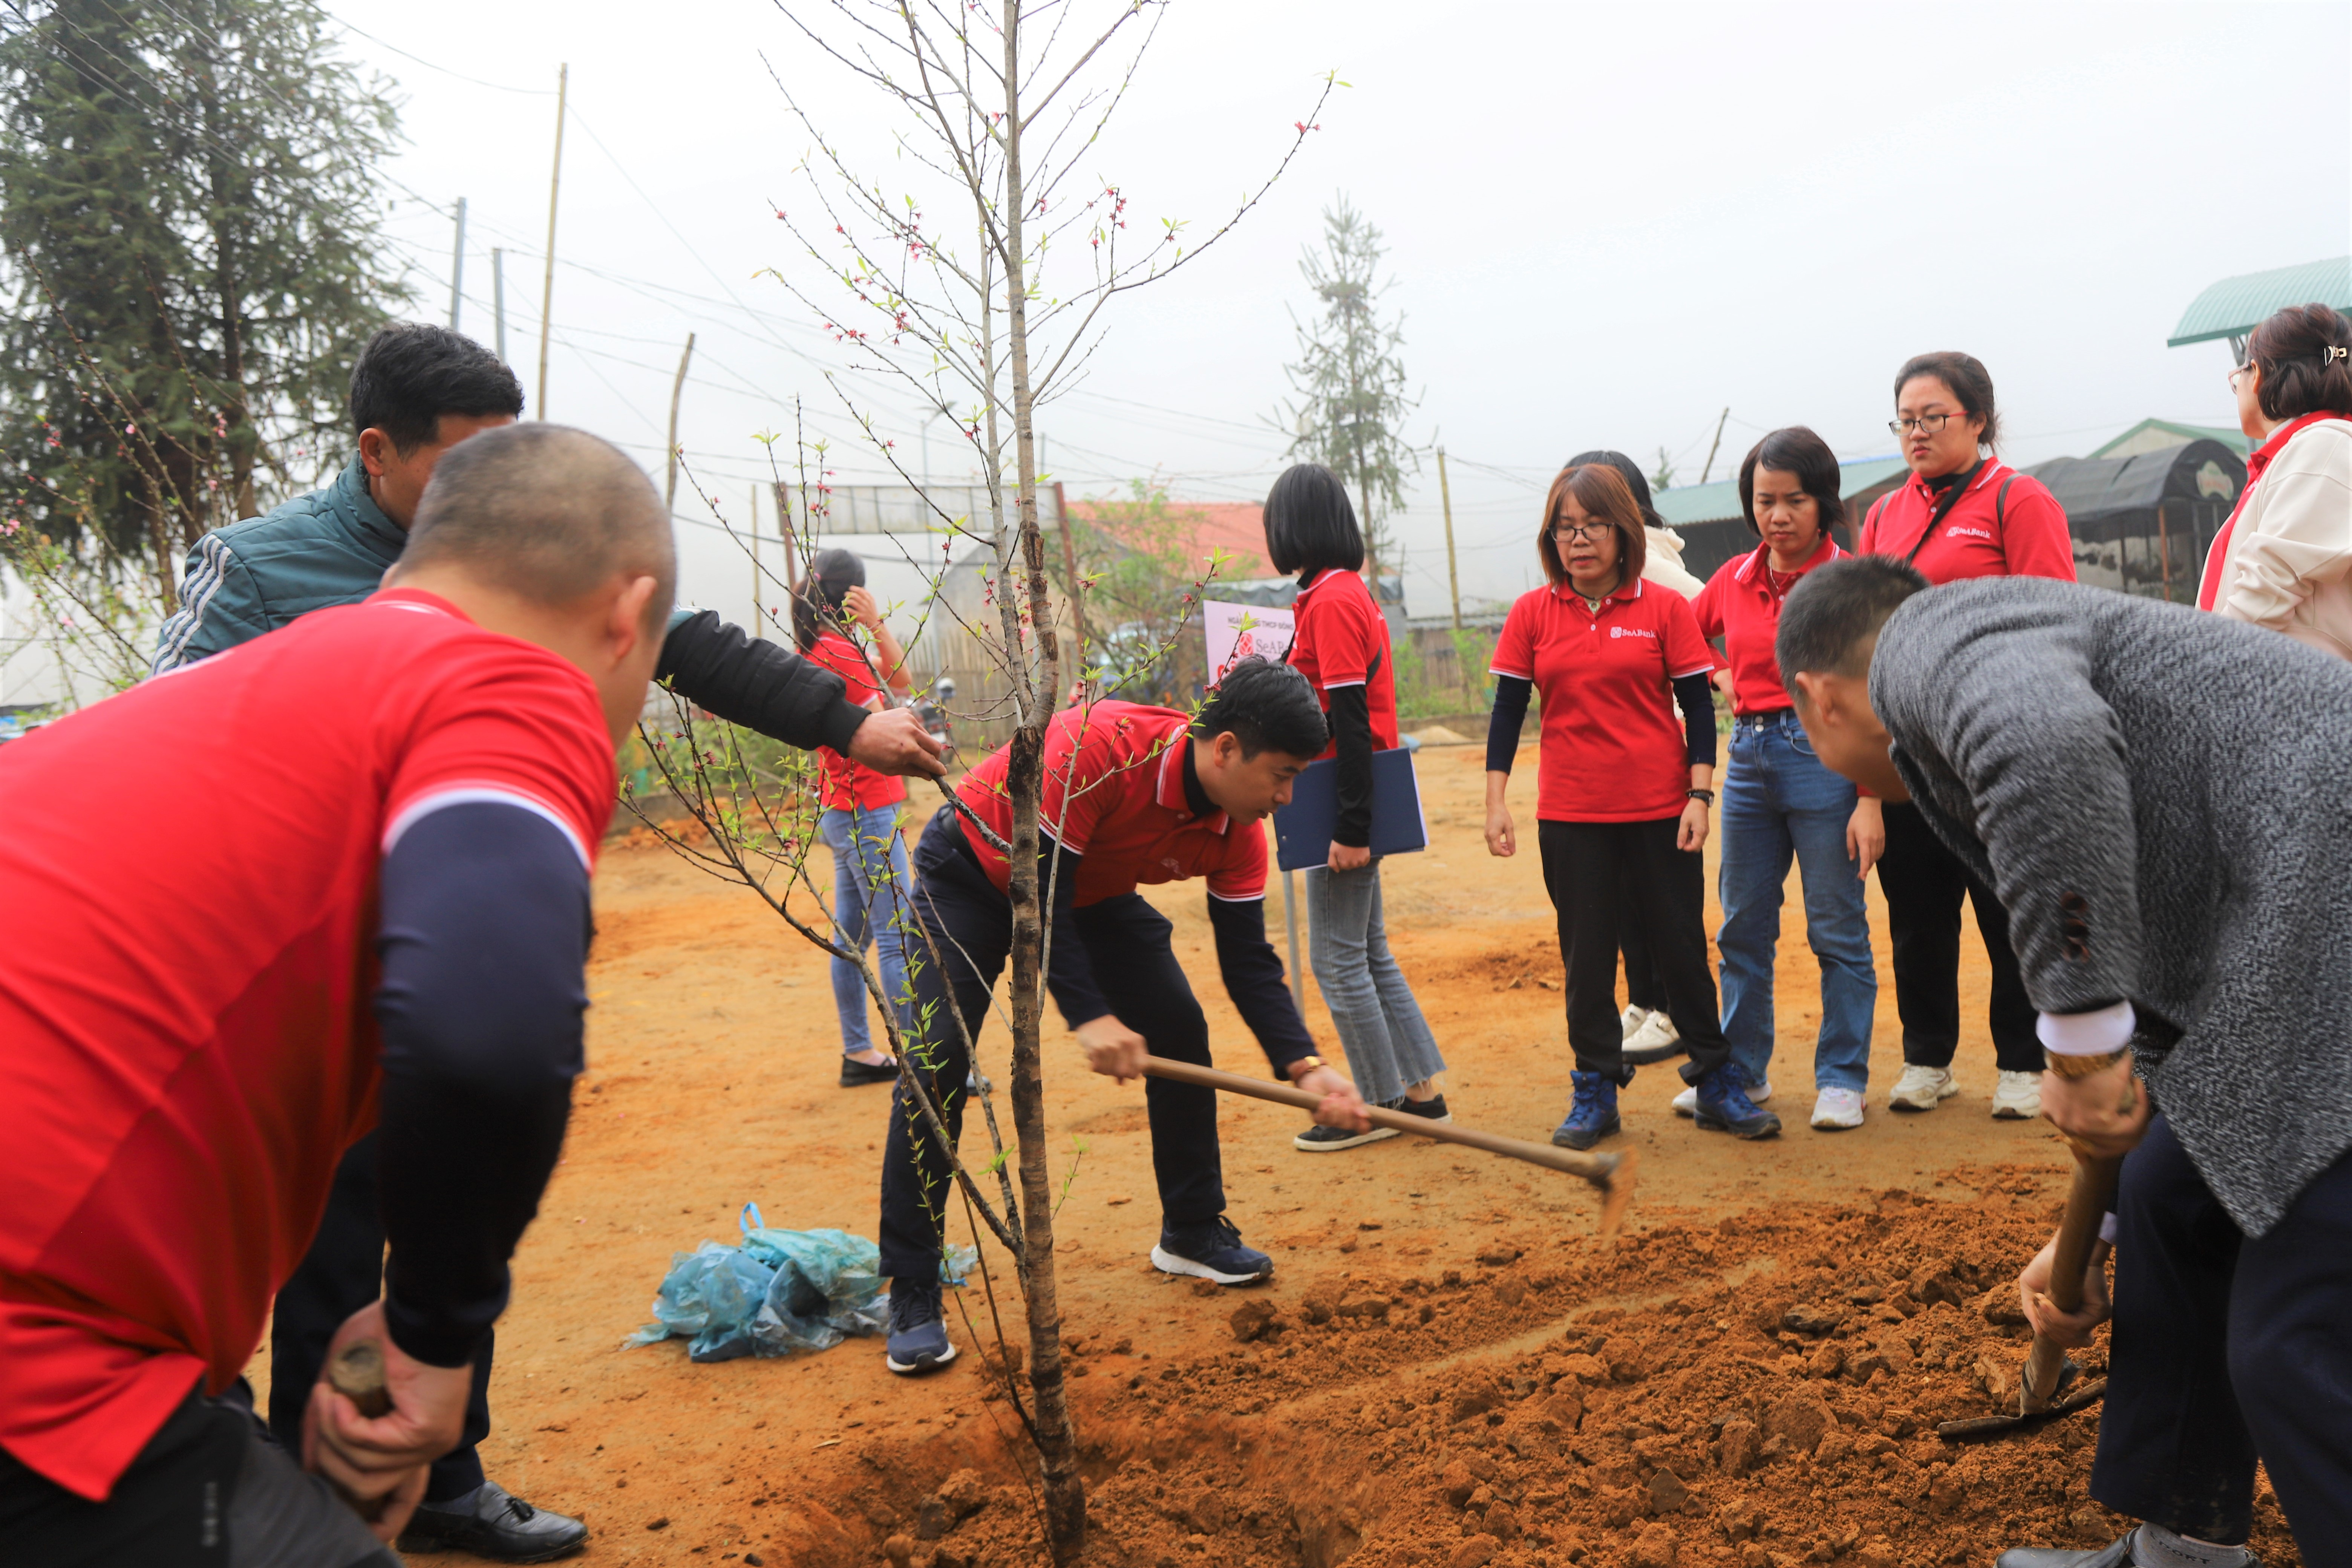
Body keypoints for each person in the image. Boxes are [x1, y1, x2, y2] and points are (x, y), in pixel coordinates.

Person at [147, 323, 942, 1561]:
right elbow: (166, 757)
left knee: (450, 1214)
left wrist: (848, 719)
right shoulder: (258, 573)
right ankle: (330, 1512)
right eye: (462, 463)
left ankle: (444, 1483)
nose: (488, 491)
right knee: (324, 1267)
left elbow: (688, 644)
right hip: (297, 985)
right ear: (376, 451)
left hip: (436, 960)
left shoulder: (520, 551)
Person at [0, 424, 670, 1565]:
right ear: (625, 615)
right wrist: (430, 1338)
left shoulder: (240, 682)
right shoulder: (500, 681)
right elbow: (489, 1036)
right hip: (40, 1341)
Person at [1775, 555, 2352, 1567]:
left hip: (2329, 925)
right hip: (2296, 930)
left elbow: (2045, 748)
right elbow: (2174, 987)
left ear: (1816, 697)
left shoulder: (1934, 645)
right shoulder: (1995, 637)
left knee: (2294, 1340)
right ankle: (2186, 1551)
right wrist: (2101, 1225)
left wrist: (2080, 1038)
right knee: (2172, 1191)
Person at [877, 660, 1372, 1373]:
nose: (1289, 798)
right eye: (1284, 774)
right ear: (1227, 748)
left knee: (1179, 1027)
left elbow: (1249, 962)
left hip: (1088, 893)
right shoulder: (1101, 752)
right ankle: (913, 1285)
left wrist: (1307, 1065)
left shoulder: (1239, 832)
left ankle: (1193, 1231)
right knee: (938, 1057)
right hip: (974, 872)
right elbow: (1040, 896)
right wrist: (1089, 1016)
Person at [1482, 463, 1778, 1149]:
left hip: (1659, 811)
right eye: (1565, 528)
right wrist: (1496, 802)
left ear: (1624, 532)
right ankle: (1594, 1090)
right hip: (1572, 817)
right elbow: (1506, 712)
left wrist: (1700, 794)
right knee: (1587, 960)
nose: (1578, 540)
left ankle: (1715, 1082)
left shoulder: (1664, 609)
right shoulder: (1533, 613)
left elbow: (1701, 713)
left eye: (1593, 526)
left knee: (1681, 952)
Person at [1855, 351, 2074, 1123]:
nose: (1916, 432)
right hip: (1910, 747)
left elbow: (2052, 619)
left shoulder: (2018, 498)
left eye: (1933, 417)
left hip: (1994, 746)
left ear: (1978, 420)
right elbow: (1869, 634)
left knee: (2006, 907)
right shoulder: (1883, 514)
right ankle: (1928, 1059)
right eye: (1905, 419)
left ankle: (2021, 1061)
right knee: (1917, 909)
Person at [1680, 427, 1877, 1132]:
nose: (1779, 515)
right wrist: (1722, 671)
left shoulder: (1852, 584)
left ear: (1824, 503)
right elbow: (1687, 637)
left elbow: (1878, 696)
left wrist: (1871, 800)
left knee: (1836, 928)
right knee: (1743, 927)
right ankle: (1743, 1072)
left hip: (1827, 763)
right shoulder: (1733, 580)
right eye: (1765, 500)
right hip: (1750, 762)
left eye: (1795, 500)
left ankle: (1842, 1078)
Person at [1263, 463, 1449, 1151]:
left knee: (1338, 960)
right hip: (1340, 800)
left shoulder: (1335, 599)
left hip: (1340, 801)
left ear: (1295, 526)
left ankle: (1378, 1100)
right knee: (1368, 953)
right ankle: (1420, 1097)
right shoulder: (1332, 594)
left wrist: (1351, 826)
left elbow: (1350, 717)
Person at [1563, 449, 1705, 1068]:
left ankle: (1671, 1009)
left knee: (1659, 903)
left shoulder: (1658, 572)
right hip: (1607, 769)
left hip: (1655, 762)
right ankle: (1646, 1003)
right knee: (1624, 897)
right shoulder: (1617, 564)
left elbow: (1702, 627)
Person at [793, 548, 917, 1087]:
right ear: (852, 596)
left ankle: (860, 1054)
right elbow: (897, 698)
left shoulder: (821, 647)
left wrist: (875, 627)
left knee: (852, 939)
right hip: (867, 809)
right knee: (897, 938)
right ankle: (924, 1066)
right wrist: (876, 625)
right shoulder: (841, 652)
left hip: (845, 808)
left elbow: (898, 679)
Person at [2199, 302, 2352, 658]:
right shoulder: (2307, 450)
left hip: (2296, 699)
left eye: (2238, 377)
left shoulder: (2324, 446)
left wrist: (2202, 672)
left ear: (2259, 374)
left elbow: (2262, 595)